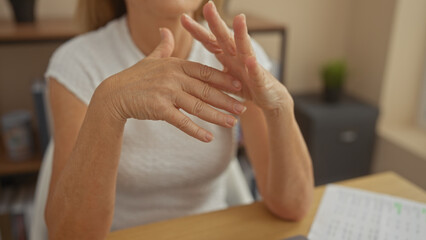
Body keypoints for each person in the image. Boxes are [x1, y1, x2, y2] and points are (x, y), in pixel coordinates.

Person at [44, 0, 314, 238]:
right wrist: (108, 105)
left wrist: (280, 108)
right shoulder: (76, 63)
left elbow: (293, 207)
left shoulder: (238, 53)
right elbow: (67, 235)